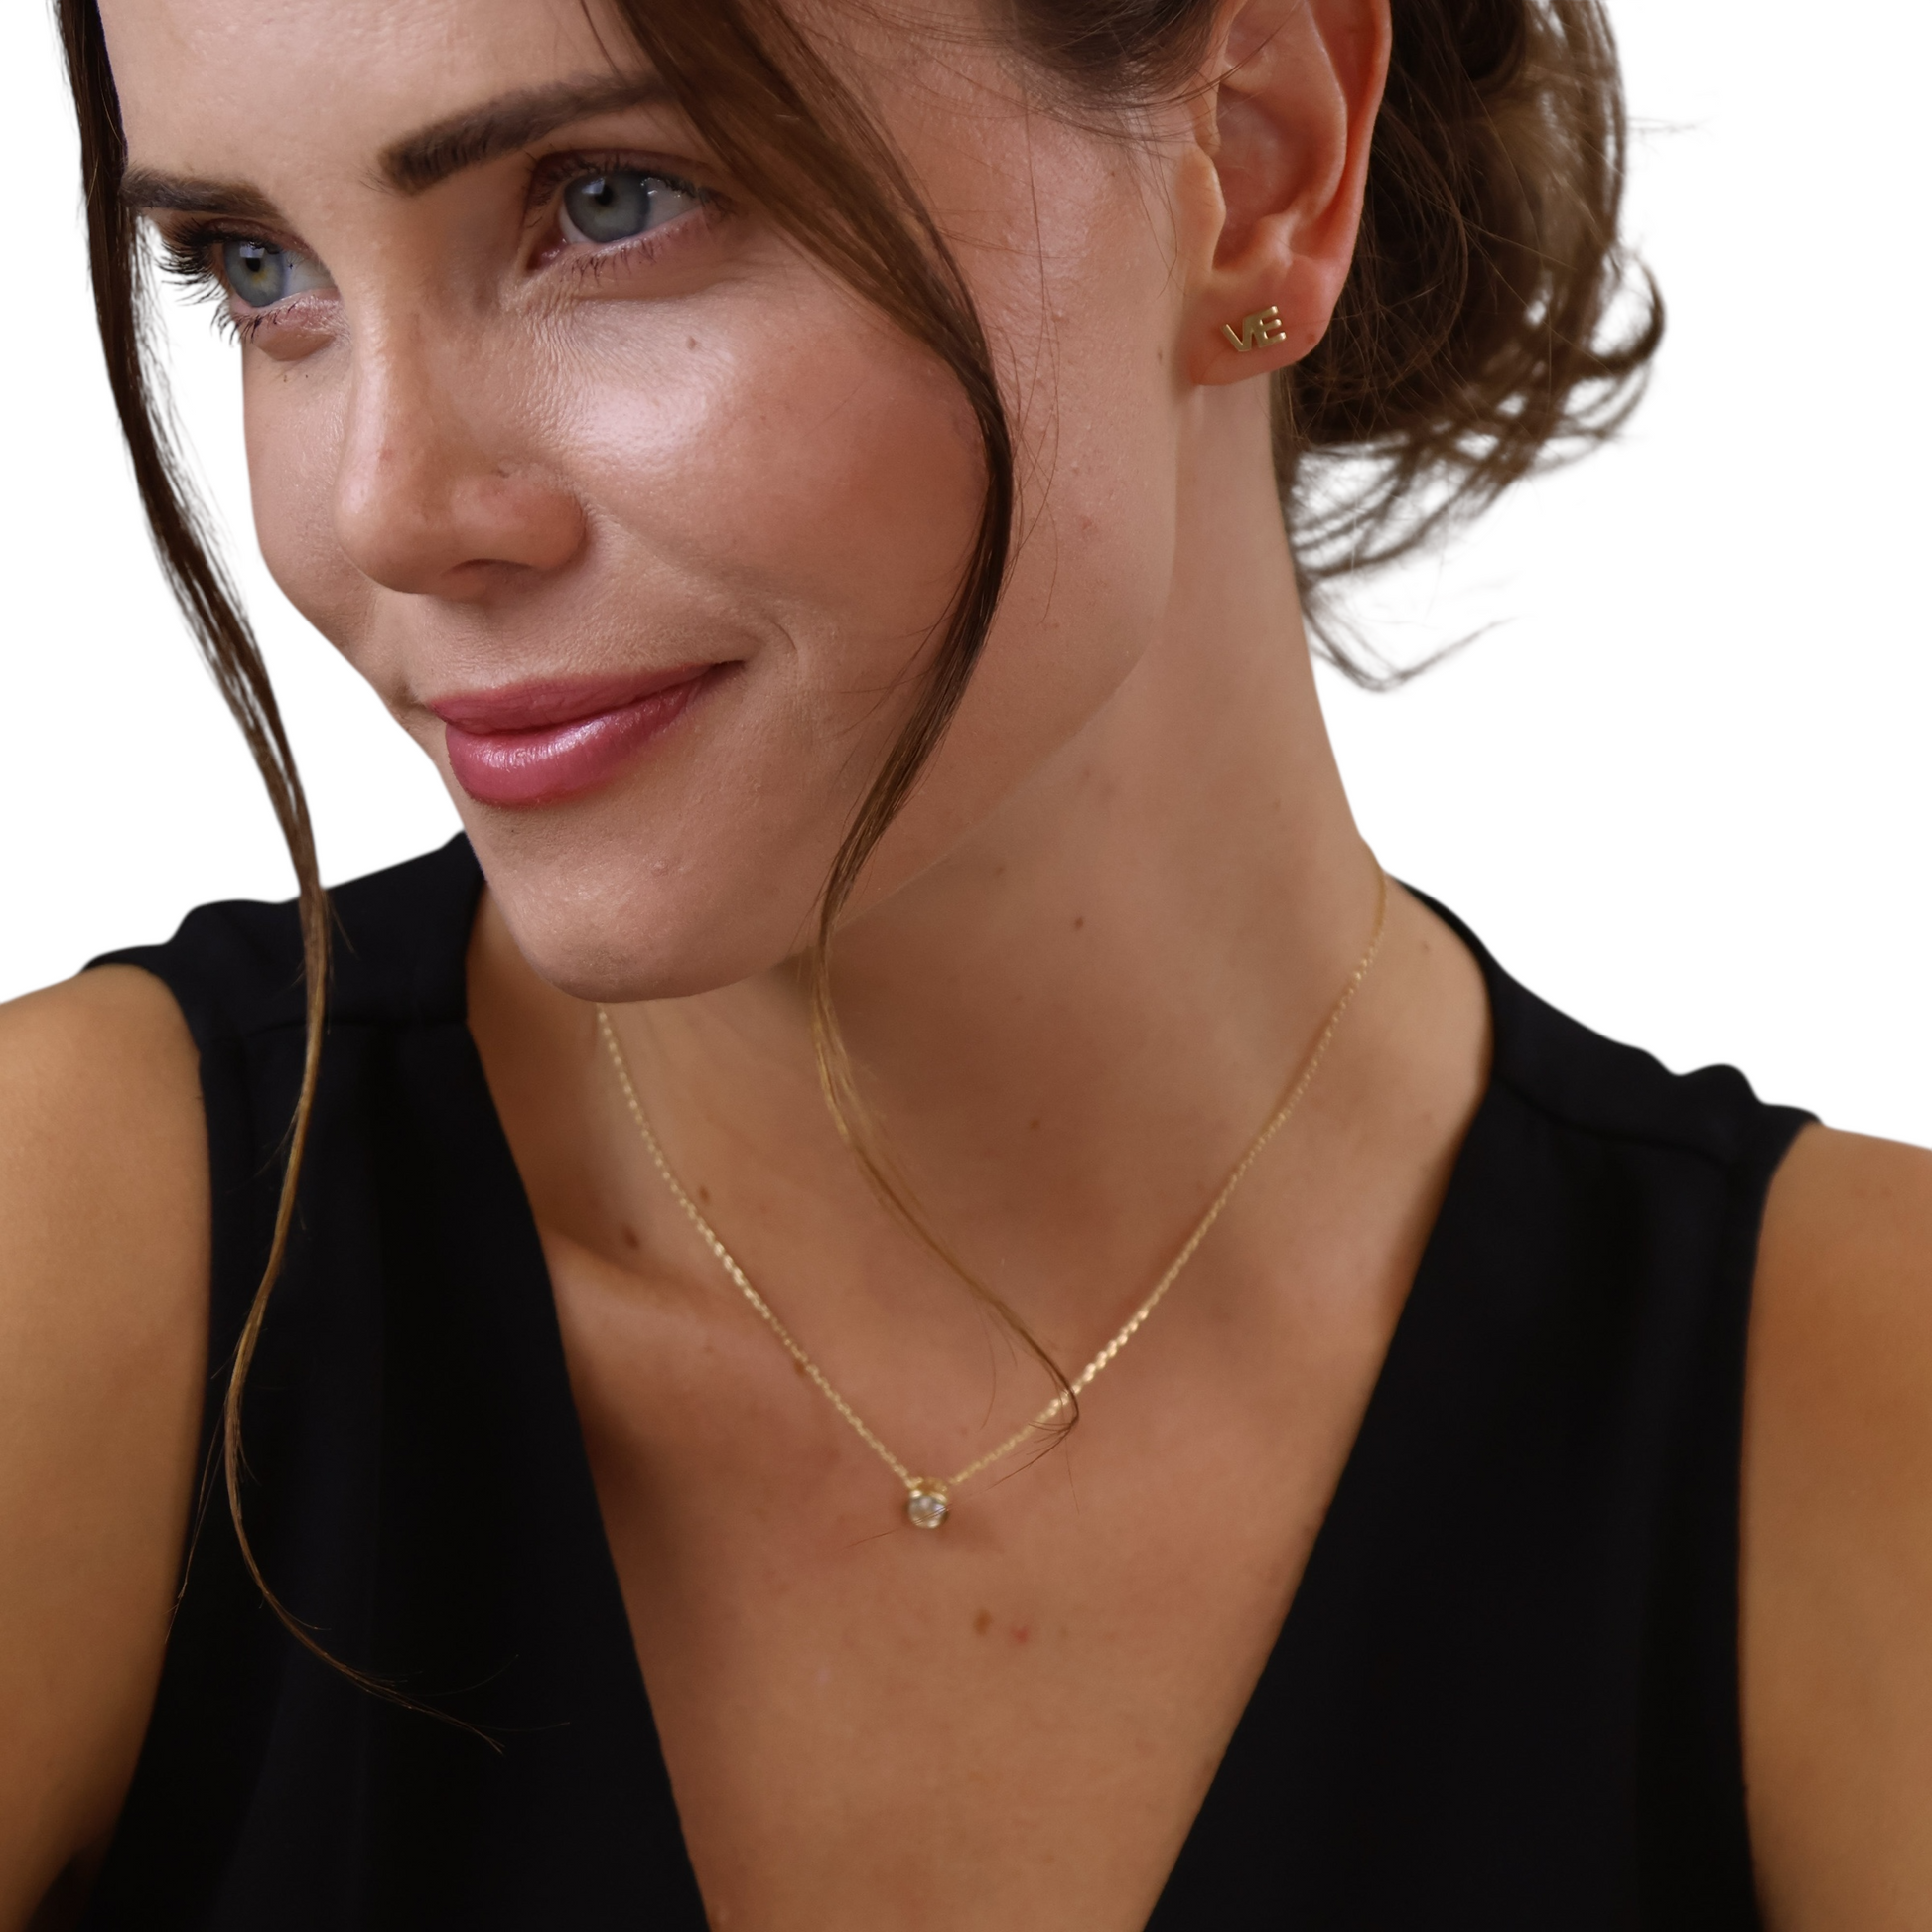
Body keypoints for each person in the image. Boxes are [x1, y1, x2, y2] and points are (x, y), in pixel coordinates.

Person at [4, 0, 1929, 1924]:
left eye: (608, 202)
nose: (385, 512)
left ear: (1254, 162)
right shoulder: (75, 1254)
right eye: (254, 268)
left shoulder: (1861, 1421)